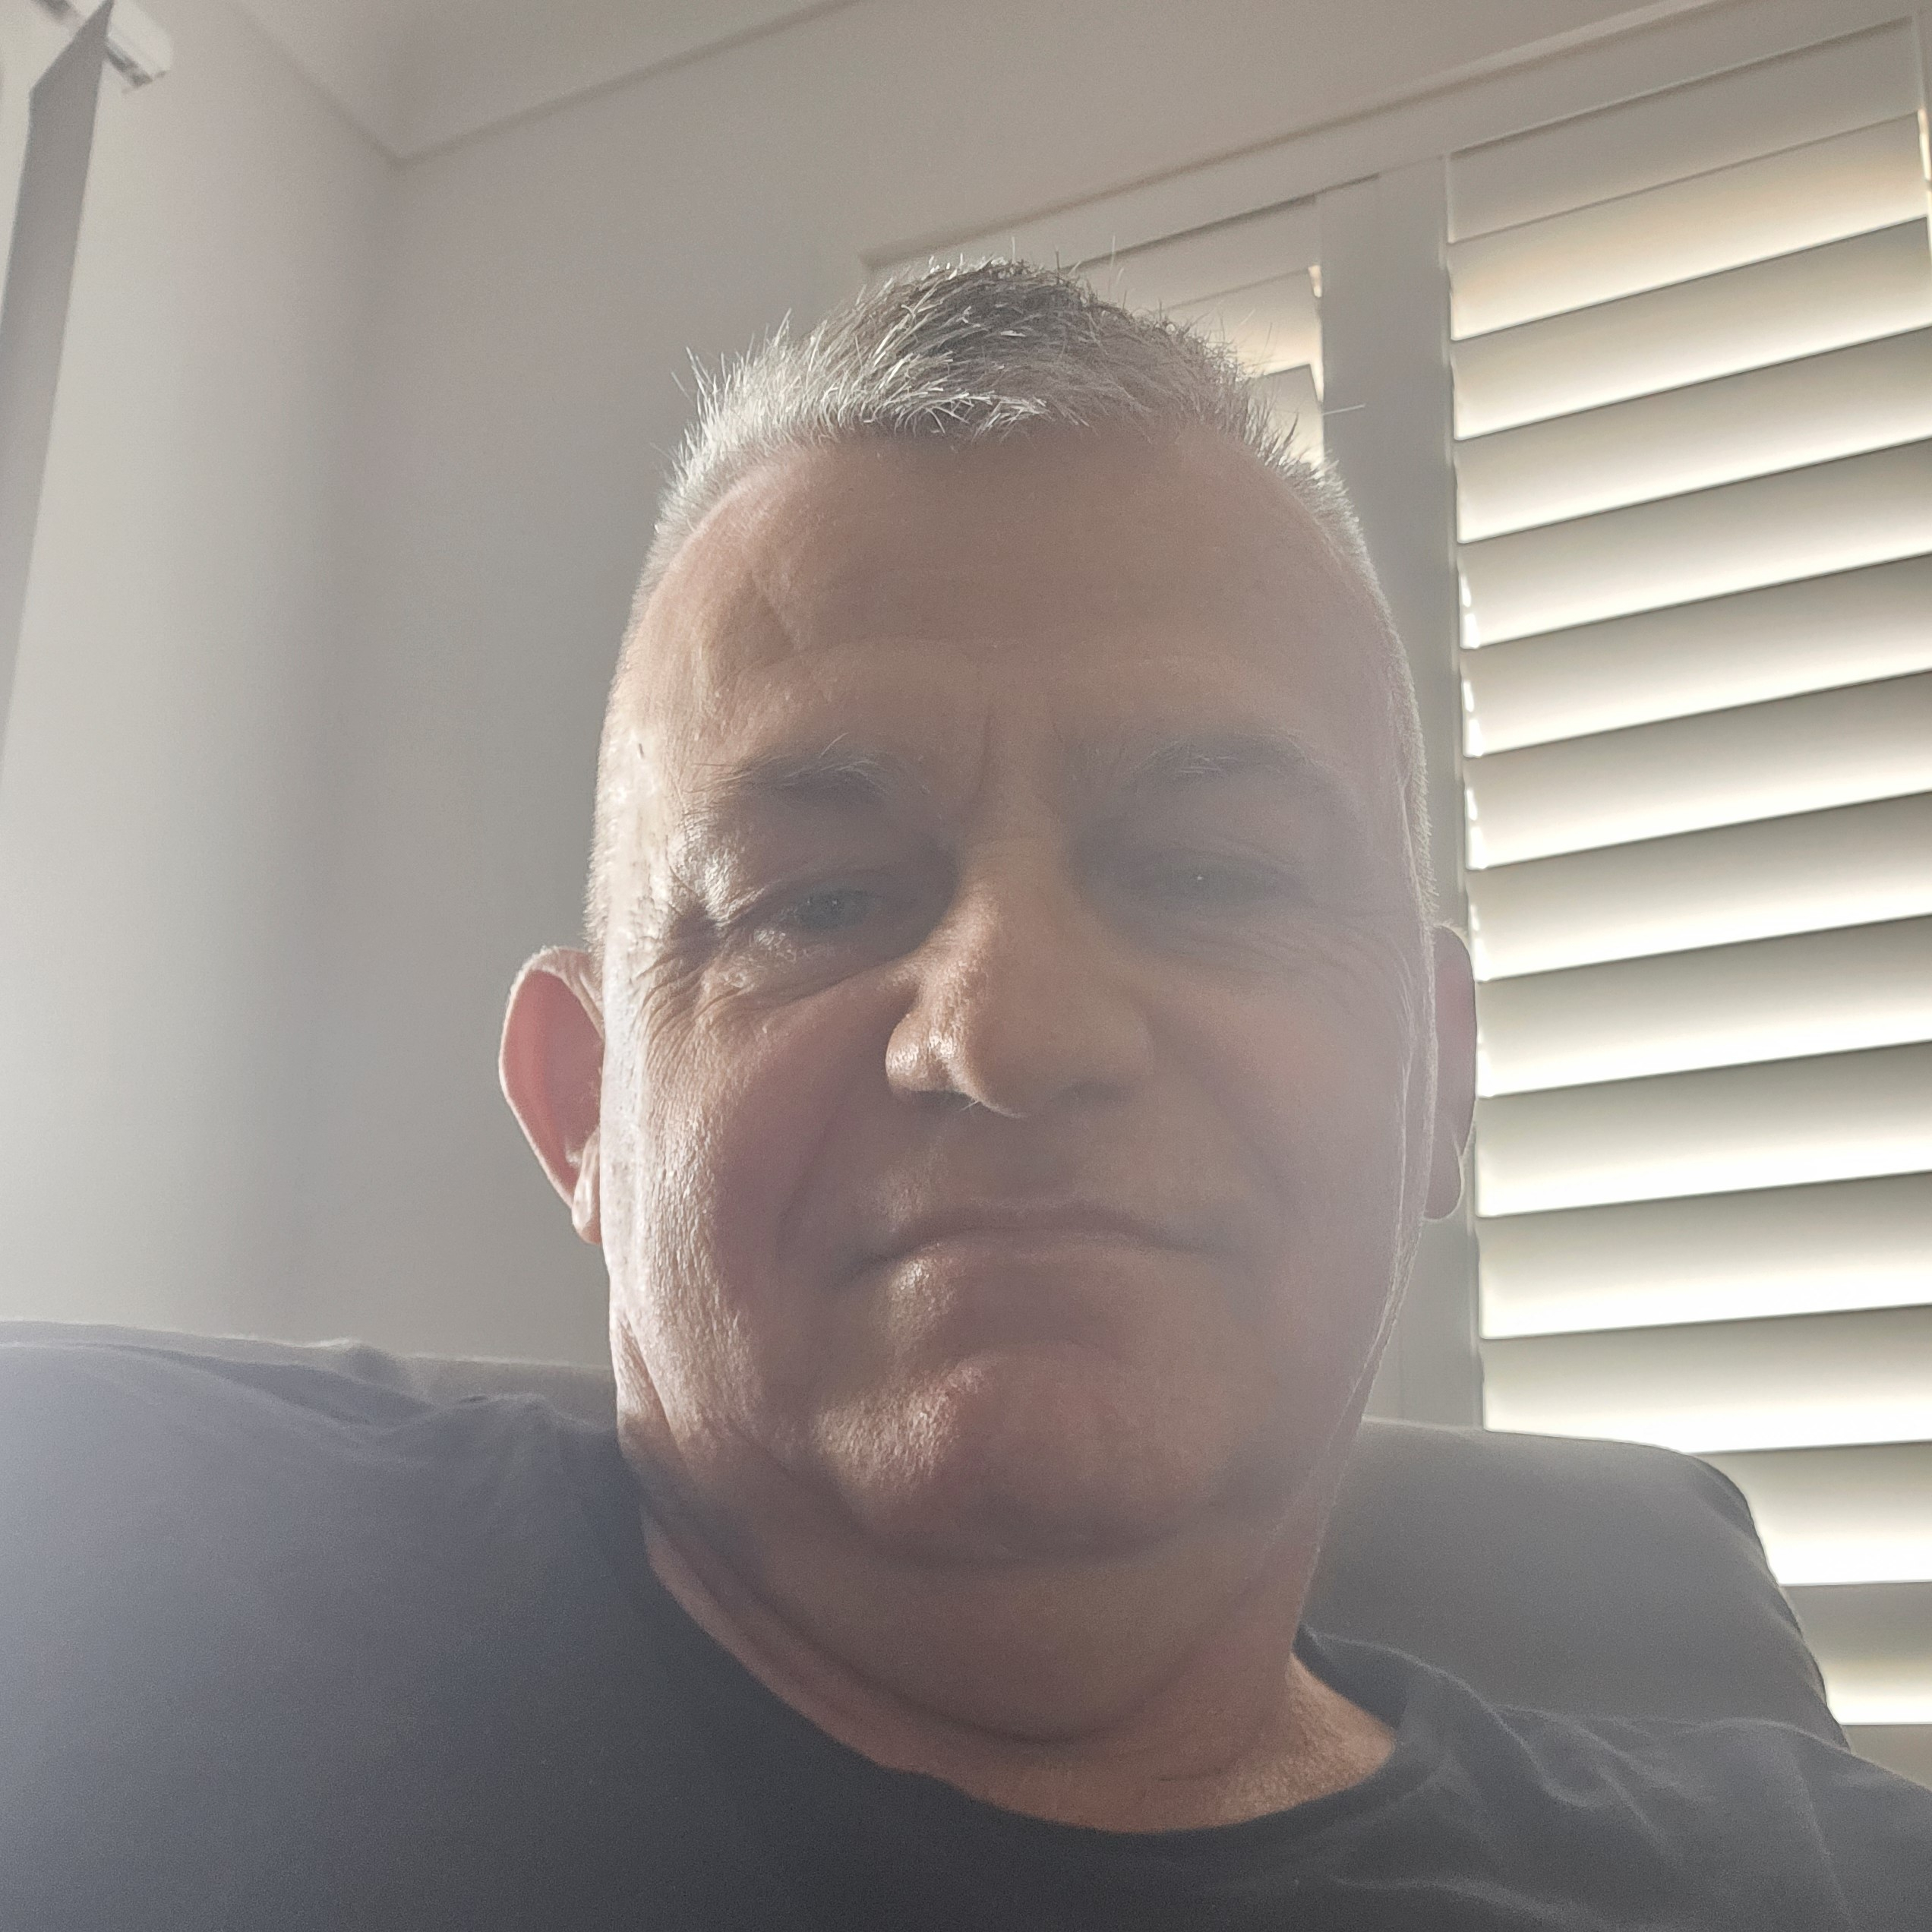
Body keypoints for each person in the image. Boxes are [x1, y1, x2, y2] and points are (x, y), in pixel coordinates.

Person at [2, 262, 1927, 1929]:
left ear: (1442, 1076)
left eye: (1213, 875)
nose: (1013, 1035)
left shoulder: (1826, 1886)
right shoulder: (84, 1589)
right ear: (581, 1104)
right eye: (816, 901)